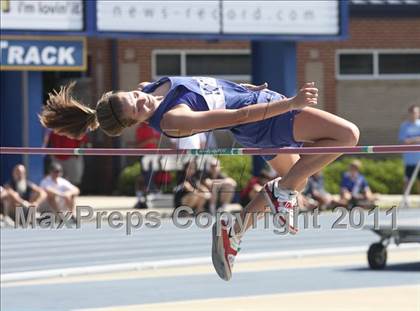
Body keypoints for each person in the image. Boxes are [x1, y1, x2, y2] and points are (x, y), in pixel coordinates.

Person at [39, 76, 360, 281]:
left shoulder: (150, 86)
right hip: (264, 119)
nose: (142, 101)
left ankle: (235, 230)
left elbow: (212, 88)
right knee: (347, 135)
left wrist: (240, 87)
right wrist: (291, 104)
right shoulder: (174, 120)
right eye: (136, 109)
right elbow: (236, 117)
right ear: (133, 122)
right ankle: (284, 191)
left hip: (259, 108)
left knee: (298, 178)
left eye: (133, 96)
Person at [398, 105, 420, 194]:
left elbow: (409, 140)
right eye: (412, 113)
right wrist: (416, 139)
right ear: (409, 114)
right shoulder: (405, 126)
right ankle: (405, 200)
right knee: (407, 181)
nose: (414, 115)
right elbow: (404, 140)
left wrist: (412, 140)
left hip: (419, 158)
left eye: (416, 112)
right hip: (409, 160)